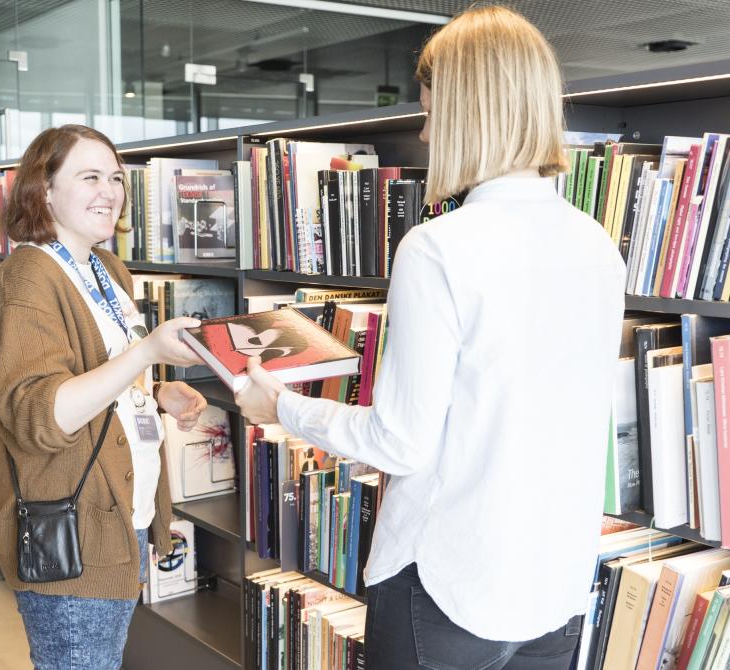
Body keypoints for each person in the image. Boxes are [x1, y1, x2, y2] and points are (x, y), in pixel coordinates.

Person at [235, 6, 626, 670]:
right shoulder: (596, 245)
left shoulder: (437, 249)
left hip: (446, 585)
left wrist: (284, 408)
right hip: (553, 588)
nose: (423, 131)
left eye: (431, 111)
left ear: (472, 114)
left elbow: (401, 441)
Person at [0, 124, 207, 670]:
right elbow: (42, 415)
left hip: (124, 518)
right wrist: (146, 353)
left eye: (115, 178)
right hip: (73, 531)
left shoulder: (107, 271)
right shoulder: (29, 276)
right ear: (45, 190)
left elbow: (103, 377)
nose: (109, 190)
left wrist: (157, 392)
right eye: (89, 177)